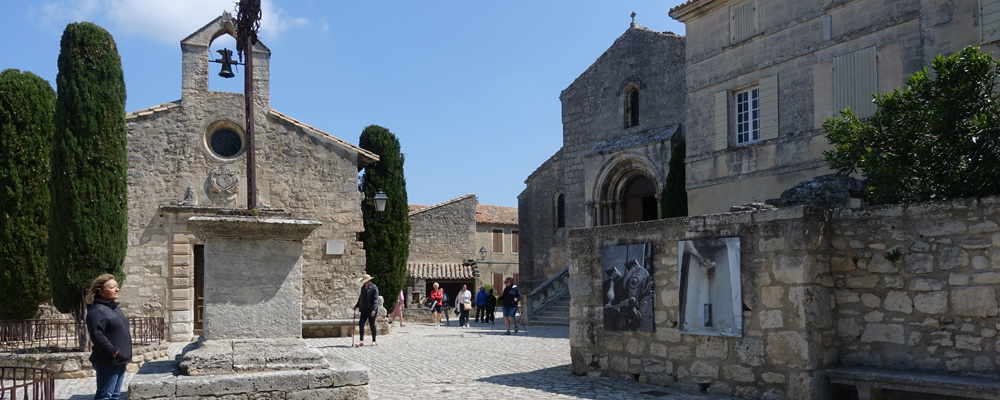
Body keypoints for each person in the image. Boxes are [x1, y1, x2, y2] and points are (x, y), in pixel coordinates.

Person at [85, 273, 132, 400]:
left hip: (119, 359)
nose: (117, 289)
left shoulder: (114, 308)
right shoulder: (97, 311)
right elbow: (97, 335)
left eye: (117, 286)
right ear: (100, 292)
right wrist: (113, 352)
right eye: (112, 287)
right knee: (105, 395)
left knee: (115, 395)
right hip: (108, 360)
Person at [353, 274, 379, 346]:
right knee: (361, 323)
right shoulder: (363, 288)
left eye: (365, 282)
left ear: (369, 281)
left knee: (372, 324)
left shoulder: (374, 288)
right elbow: (361, 298)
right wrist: (356, 306)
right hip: (364, 309)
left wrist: (374, 309)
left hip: (371, 310)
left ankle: (374, 341)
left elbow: (375, 300)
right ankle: (361, 341)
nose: (364, 283)